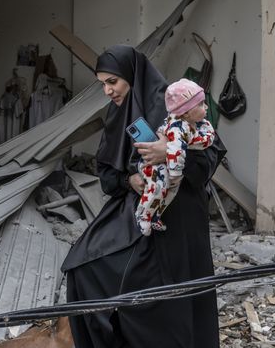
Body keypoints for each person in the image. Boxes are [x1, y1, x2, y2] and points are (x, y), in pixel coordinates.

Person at [61, 45, 225, 348]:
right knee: (85, 266)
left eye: (113, 82)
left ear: (131, 76)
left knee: (172, 294)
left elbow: (212, 155)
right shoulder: (118, 114)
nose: (108, 91)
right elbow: (107, 173)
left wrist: (171, 152)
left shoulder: (175, 100)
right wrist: (129, 178)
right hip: (137, 207)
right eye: (103, 84)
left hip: (179, 215)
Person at [135, 78, 216, 235]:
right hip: (157, 167)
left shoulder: (197, 123)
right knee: (158, 188)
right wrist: (176, 174)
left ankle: (155, 215)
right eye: (200, 104)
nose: (206, 107)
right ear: (185, 112)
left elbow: (206, 138)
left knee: (169, 193)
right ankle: (143, 215)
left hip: (172, 170)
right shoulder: (177, 128)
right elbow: (175, 152)